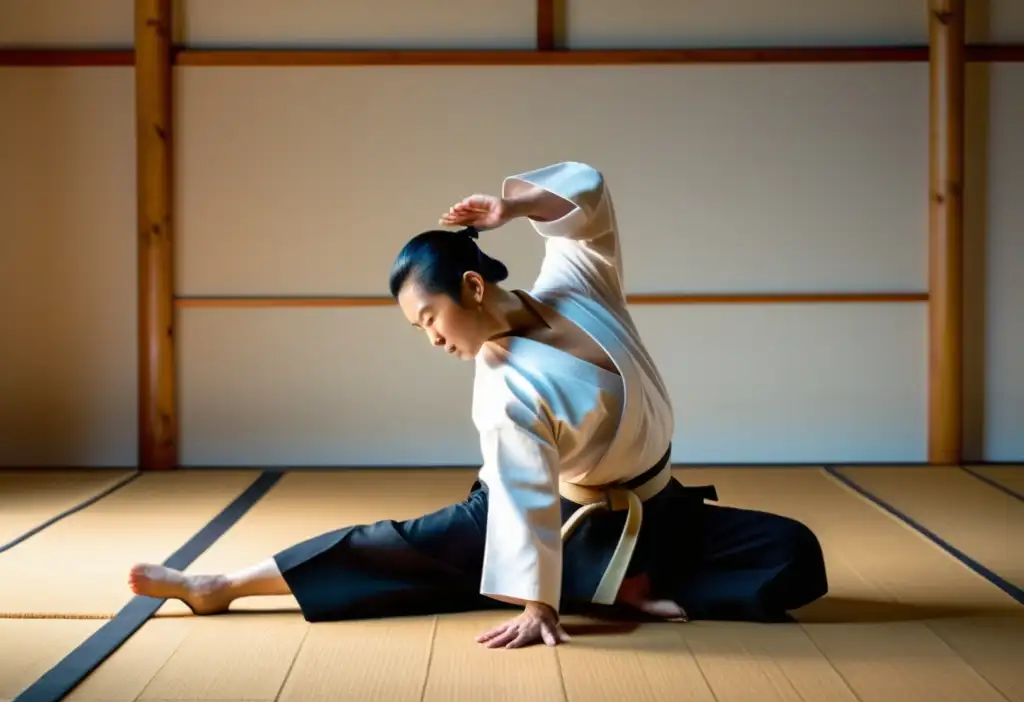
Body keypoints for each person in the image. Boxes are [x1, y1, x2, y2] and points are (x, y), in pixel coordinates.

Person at [129, 160, 828, 649]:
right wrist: (538, 605)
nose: (430, 339)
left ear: (471, 286)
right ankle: (220, 584)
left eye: (428, 318)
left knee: (794, 556)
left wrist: (516, 208)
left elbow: (589, 195)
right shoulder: (503, 383)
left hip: (655, 509)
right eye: (418, 330)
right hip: (549, 512)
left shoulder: (578, 285)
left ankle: (616, 582)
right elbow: (526, 501)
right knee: (396, 550)